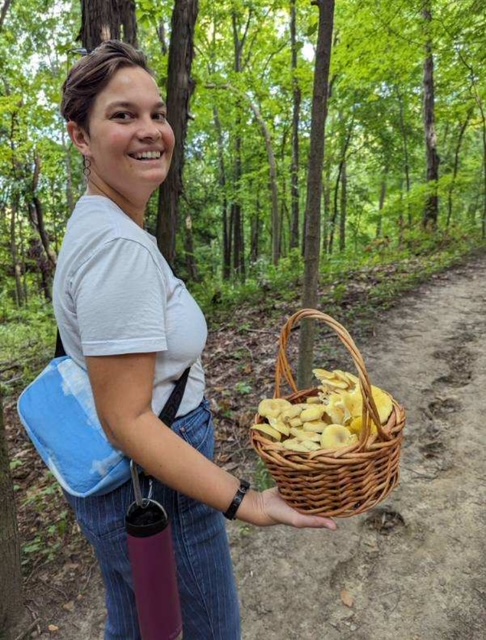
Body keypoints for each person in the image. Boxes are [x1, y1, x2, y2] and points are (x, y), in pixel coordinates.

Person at [54, 40, 337, 640]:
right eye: (123, 115)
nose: (151, 130)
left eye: (157, 113)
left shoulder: (98, 222)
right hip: (159, 482)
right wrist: (247, 502)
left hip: (125, 482)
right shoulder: (117, 248)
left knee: (136, 625)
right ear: (81, 136)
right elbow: (127, 419)